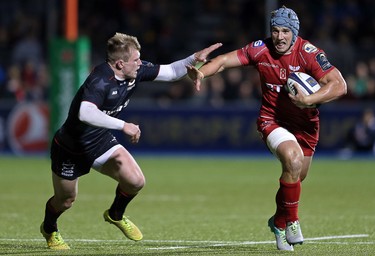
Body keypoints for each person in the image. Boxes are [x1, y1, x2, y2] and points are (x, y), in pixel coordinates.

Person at [40, 32, 222, 250]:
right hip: (71, 147)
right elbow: (85, 113)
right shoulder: (99, 80)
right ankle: (49, 229)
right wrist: (123, 125)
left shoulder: (135, 70)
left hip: (99, 141)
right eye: (135, 59)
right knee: (66, 200)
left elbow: (172, 71)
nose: (140, 63)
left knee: (135, 181)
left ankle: (115, 214)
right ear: (119, 63)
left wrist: (194, 58)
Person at [187, 6, 347, 251]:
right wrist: (201, 73)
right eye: (275, 30)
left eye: (285, 31)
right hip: (272, 120)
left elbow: (339, 85)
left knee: (296, 177)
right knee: (292, 161)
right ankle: (292, 221)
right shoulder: (260, 49)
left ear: (294, 33)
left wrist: (308, 100)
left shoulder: (309, 54)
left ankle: (278, 221)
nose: (279, 37)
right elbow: (221, 62)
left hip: (306, 125)